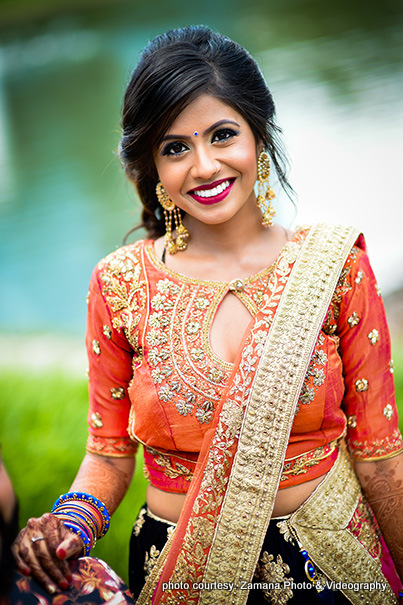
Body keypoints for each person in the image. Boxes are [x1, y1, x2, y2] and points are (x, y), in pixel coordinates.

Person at [11, 25, 403, 605]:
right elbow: (109, 456)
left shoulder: (333, 265)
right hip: (185, 575)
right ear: (152, 163)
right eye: (175, 147)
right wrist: (69, 526)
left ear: (259, 135)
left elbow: (380, 462)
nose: (204, 165)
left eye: (223, 135)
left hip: (334, 568)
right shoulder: (119, 283)